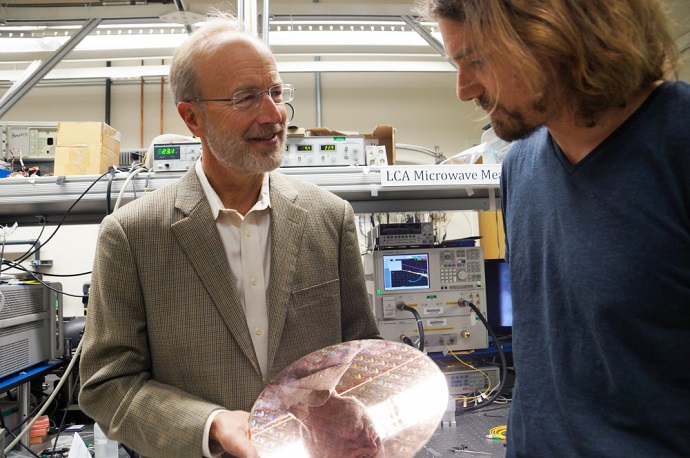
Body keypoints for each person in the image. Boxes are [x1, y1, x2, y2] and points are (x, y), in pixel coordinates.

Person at [78, 12, 380, 458]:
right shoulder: (131, 235)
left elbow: (361, 353)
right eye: (246, 98)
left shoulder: (329, 217)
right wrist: (211, 424)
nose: (273, 114)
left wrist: (357, 407)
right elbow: (108, 385)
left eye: (276, 92)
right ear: (192, 118)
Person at [418, 0, 690, 456]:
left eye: (476, 60)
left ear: (553, 34)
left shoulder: (676, 148)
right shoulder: (520, 165)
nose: (464, 90)